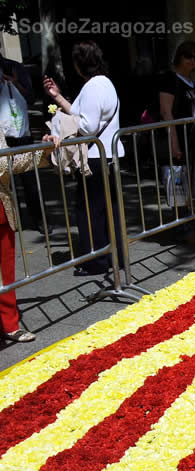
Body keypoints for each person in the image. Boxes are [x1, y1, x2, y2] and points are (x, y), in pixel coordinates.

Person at [43, 40, 126, 275]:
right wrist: (58, 98)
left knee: (89, 210)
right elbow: (87, 116)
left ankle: (96, 261)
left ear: (79, 65)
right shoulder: (104, 84)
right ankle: (116, 256)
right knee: (110, 208)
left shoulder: (92, 87)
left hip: (94, 157)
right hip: (109, 154)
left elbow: (87, 125)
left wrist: (61, 123)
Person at [0, 133, 59, 342]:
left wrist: (42, 150)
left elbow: (7, 162)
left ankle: (9, 325)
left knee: (5, 272)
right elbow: (5, 163)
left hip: (2, 208)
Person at [156, 40, 195, 245]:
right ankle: (181, 231)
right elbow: (166, 112)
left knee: (185, 185)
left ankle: (186, 226)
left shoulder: (190, 80)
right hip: (176, 139)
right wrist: (174, 142)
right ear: (179, 56)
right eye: (188, 56)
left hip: (191, 140)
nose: (192, 61)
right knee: (176, 186)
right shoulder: (169, 80)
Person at [0, 47, 44, 233]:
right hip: (3, 135)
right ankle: (11, 220)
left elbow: (31, 98)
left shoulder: (15, 67)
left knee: (29, 179)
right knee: (5, 181)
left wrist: (15, 83)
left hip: (21, 134)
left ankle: (39, 220)